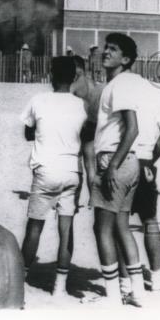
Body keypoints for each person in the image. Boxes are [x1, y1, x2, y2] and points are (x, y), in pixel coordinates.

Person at [18, 57, 88, 294]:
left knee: (35, 227)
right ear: (74, 77)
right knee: (66, 229)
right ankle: (60, 286)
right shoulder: (82, 105)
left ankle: (22, 280)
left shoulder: (38, 100)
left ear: (50, 75)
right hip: (72, 170)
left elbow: (28, 133)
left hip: (46, 169)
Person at [88, 33, 147, 306]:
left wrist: (110, 165)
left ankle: (112, 295)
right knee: (122, 226)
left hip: (115, 160)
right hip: (128, 162)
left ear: (125, 59)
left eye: (112, 50)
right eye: (105, 48)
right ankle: (136, 291)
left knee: (102, 228)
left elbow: (132, 129)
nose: (105, 52)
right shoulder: (119, 84)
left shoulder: (120, 85)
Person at [123, 68, 160, 293]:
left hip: (122, 157)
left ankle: (124, 278)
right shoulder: (155, 93)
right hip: (145, 161)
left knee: (119, 221)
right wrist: (151, 158)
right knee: (149, 219)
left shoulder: (118, 91)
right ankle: (156, 276)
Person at [70, 55, 101, 207]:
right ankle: (93, 199)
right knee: (91, 165)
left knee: (76, 164)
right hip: (92, 125)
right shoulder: (93, 83)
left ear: (78, 68)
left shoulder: (76, 84)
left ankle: (73, 199)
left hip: (79, 126)